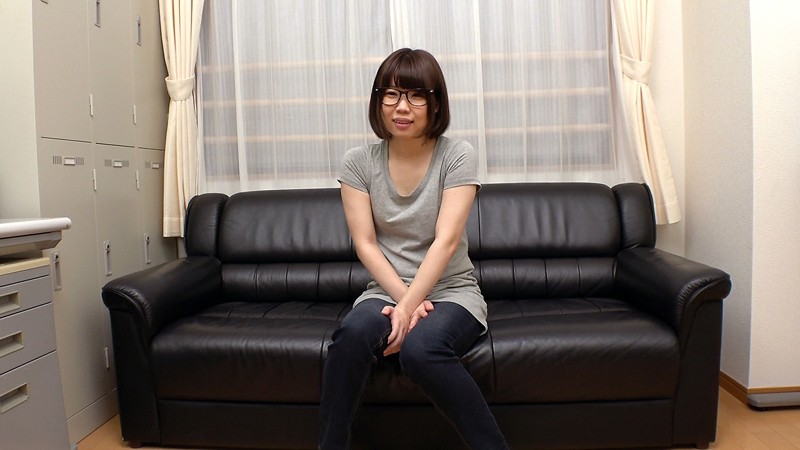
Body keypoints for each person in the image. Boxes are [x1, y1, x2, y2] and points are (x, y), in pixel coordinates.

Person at [319, 48, 509, 450]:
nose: (401, 107)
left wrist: (408, 309)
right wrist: (406, 303)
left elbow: (447, 241)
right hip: (386, 290)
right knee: (351, 337)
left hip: (451, 292)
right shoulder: (358, 163)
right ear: (378, 100)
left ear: (435, 102)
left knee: (421, 351)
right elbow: (365, 244)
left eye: (416, 95)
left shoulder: (457, 155)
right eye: (391, 94)